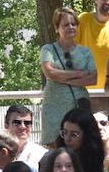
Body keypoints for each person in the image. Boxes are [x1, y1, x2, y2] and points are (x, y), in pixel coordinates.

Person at [39, 8, 97, 144]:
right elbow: (49, 72)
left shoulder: (85, 51)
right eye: (66, 25)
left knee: (82, 145)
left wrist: (61, 77)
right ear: (56, 28)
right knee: (55, 145)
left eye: (73, 24)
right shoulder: (48, 49)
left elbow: (93, 78)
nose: (71, 27)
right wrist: (79, 74)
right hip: (54, 106)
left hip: (79, 105)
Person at [56, 108, 107, 172]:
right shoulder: (53, 158)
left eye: (74, 134)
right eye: (64, 132)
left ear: (87, 136)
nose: (67, 139)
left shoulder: (94, 160)